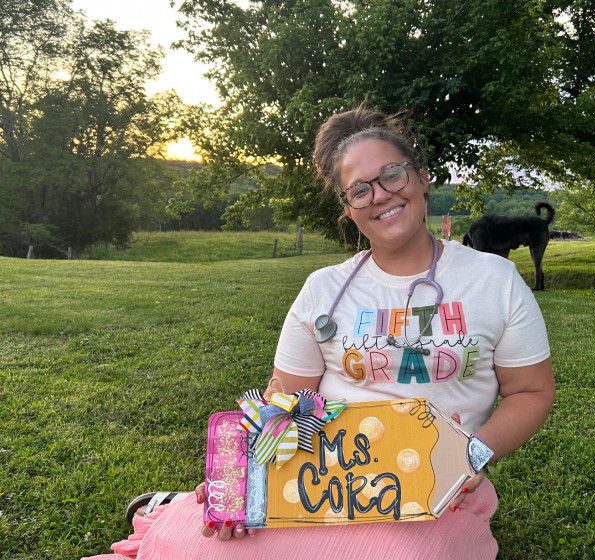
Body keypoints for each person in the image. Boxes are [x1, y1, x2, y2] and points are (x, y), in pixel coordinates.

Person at [84, 106, 554, 560]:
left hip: (436, 485)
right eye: (360, 190)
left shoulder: (493, 280)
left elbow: (530, 391)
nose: (381, 195)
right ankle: (175, 511)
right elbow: (284, 400)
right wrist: (246, 481)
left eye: (392, 175)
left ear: (422, 177)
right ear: (348, 209)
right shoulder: (322, 289)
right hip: (319, 476)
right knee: (193, 549)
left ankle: (173, 507)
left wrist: (472, 453)